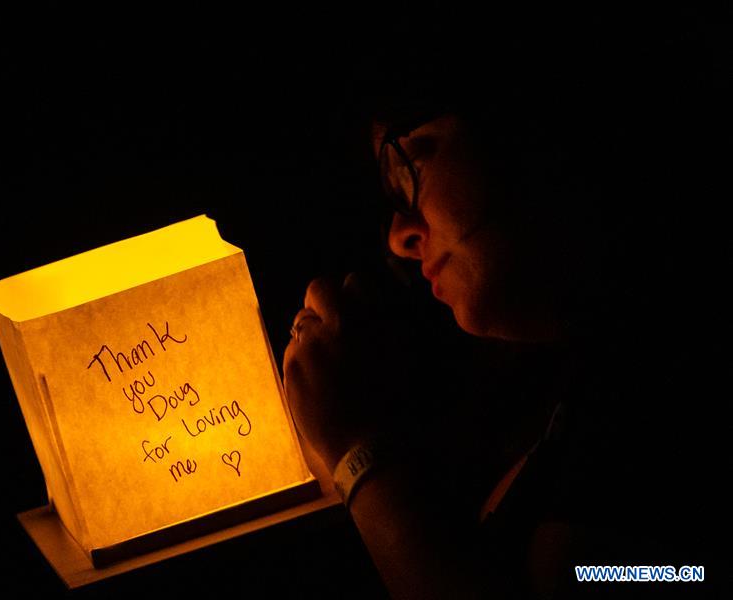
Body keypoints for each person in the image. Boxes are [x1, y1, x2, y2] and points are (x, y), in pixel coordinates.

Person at [281, 21, 722, 599]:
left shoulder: (680, 380)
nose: (400, 236)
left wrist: (363, 461)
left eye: (413, 161)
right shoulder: (558, 396)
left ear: (532, 122)